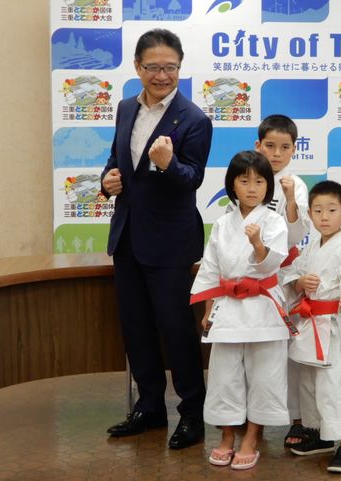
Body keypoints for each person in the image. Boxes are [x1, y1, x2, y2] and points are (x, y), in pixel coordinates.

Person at [102, 29, 211, 449]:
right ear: (138, 68)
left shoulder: (195, 119)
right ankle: (149, 407)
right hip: (128, 236)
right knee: (137, 327)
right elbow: (116, 161)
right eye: (153, 67)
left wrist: (168, 165)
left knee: (176, 329)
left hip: (170, 241)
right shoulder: (126, 107)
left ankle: (192, 414)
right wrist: (106, 181)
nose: (162, 75)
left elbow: (192, 180)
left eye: (170, 67)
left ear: (180, 68)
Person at [190, 151, 290, 470]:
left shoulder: (273, 220)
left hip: (263, 305)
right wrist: (208, 310)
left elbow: (271, 263)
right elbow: (211, 269)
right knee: (225, 374)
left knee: (265, 374)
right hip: (228, 306)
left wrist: (259, 244)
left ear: (268, 185)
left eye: (259, 181)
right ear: (232, 184)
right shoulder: (222, 223)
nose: (252, 187)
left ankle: (252, 436)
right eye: (244, 180)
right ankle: (227, 436)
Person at [283, 180, 341, 473]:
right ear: (310, 212)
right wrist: (299, 282)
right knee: (309, 382)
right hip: (310, 325)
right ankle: (318, 433)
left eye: (331, 210)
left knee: (336, 385)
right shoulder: (311, 248)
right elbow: (293, 274)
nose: (324, 216)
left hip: (335, 327)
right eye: (318, 210)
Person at [253, 114, 311, 447]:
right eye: (270, 146)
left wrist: (289, 198)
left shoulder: (295, 183)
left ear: (294, 150)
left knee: (291, 350)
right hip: (253, 275)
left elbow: (297, 231)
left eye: (284, 147)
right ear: (258, 145)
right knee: (256, 349)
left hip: (284, 274)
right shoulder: (249, 177)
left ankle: (298, 419)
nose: (276, 154)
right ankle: (253, 418)